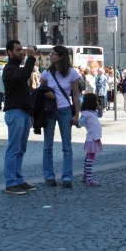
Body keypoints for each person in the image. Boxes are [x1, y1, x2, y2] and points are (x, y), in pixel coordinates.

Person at [39, 45, 81, 188]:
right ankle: (49, 176)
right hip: (50, 111)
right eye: (50, 54)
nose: (50, 56)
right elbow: (40, 91)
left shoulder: (72, 73)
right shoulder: (47, 73)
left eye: (54, 54)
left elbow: (75, 95)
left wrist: (77, 114)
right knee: (48, 146)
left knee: (67, 146)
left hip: (65, 111)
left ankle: (67, 177)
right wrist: (46, 93)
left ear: (62, 57)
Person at [3, 40, 38, 195]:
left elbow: (25, 93)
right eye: (18, 50)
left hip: (23, 113)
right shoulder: (9, 69)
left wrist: (30, 114)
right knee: (13, 149)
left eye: (22, 50)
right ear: (9, 52)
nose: (21, 52)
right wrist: (31, 57)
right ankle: (11, 182)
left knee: (20, 149)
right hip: (14, 112)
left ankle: (18, 179)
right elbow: (24, 75)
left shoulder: (17, 68)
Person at [79, 92, 104, 186]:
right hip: (92, 138)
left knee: (88, 157)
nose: (97, 103)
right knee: (90, 158)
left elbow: (100, 115)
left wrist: (100, 109)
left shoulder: (93, 112)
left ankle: (85, 175)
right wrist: (76, 123)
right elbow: (80, 122)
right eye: (96, 101)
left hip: (95, 138)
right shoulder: (86, 113)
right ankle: (89, 179)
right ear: (92, 102)